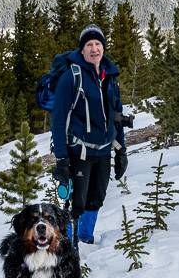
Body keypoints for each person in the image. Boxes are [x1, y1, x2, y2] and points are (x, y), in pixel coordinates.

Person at [51, 24, 128, 245]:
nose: (94, 49)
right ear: (82, 50)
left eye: (98, 44)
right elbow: (59, 121)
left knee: (97, 198)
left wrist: (121, 151)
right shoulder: (71, 77)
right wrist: (62, 158)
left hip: (103, 151)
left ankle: (85, 238)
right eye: (89, 44)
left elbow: (117, 117)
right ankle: (66, 243)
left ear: (103, 47)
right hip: (79, 151)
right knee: (77, 201)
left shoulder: (110, 76)